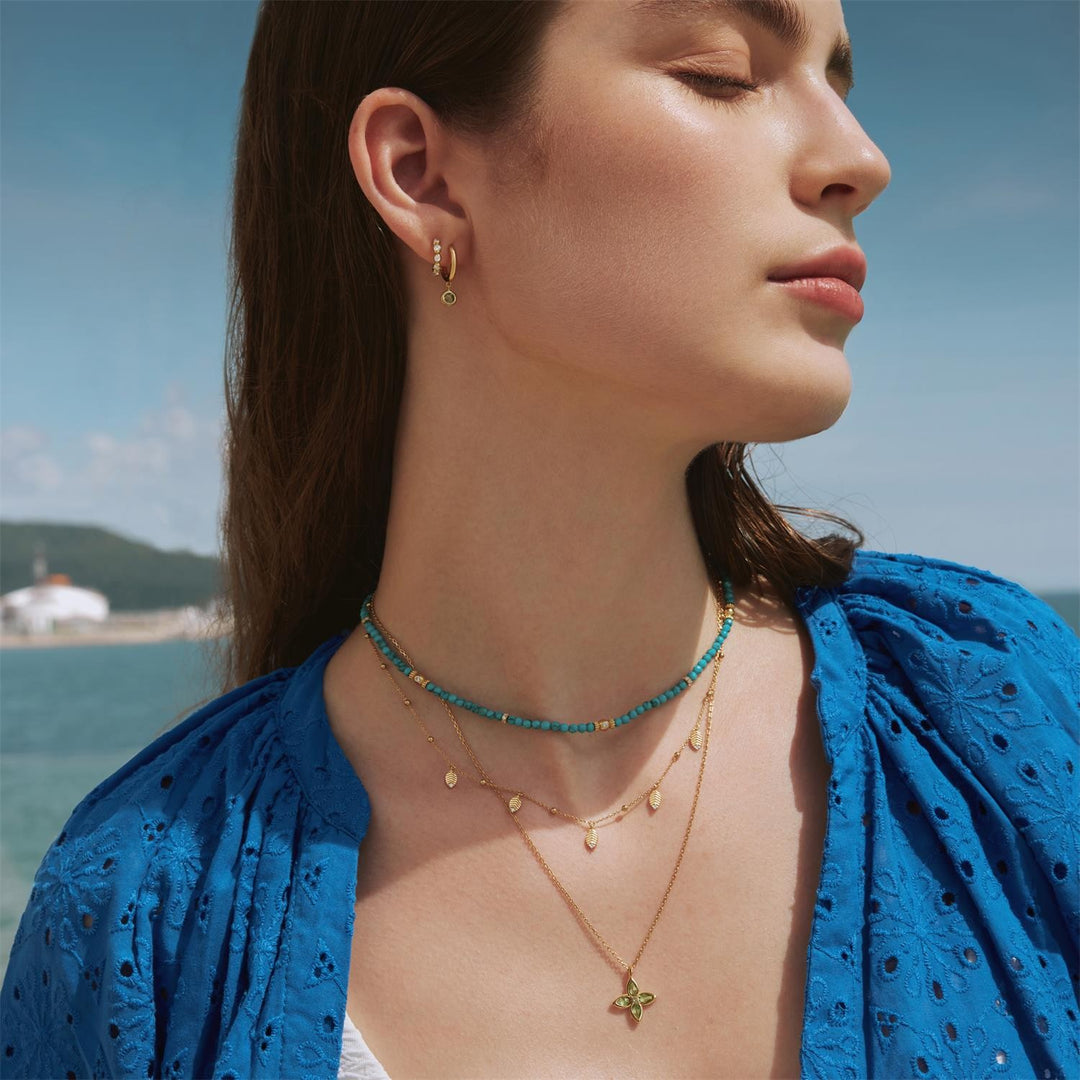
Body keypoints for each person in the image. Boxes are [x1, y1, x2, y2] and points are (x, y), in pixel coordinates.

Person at [2, 1, 1077, 1077]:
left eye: (837, 83)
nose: (862, 159)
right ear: (422, 173)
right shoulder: (138, 915)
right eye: (721, 72)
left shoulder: (996, 714)